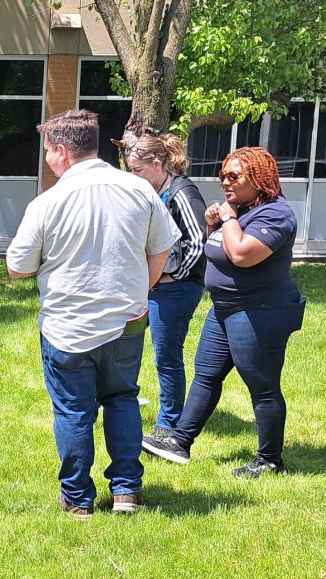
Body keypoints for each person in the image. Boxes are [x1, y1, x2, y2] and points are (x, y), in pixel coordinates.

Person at [7, 109, 178, 520]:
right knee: (122, 399)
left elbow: (17, 267)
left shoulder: (48, 202)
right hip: (127, 321)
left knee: (73, 411)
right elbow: (162, 248)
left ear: (63, 151)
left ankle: (78, 499)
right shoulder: (140, 191)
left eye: (48, 151)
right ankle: (126, 491)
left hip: (67, 327)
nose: (47, 158)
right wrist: (141, 290)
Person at [142, 147, 306, 479]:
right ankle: (180, 441)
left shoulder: (276, 214)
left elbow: (242, 254)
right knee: (206, 375)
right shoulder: (240, 210)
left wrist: (228, 219)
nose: (225, 183)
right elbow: (216, 250)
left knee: (262, 386)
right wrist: (211, 225)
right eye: (222, 176)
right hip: (225, 308)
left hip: (260, 311)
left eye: (234, 176)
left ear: (258, 179)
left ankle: (270, 460)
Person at [125, 133, 208, 441]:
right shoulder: (151, 191)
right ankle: (121, 400)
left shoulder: (183, 193)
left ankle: (169, 422)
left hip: (176, 289)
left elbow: (198, 242)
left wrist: (175, 276)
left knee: (166, 355)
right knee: (124, 342)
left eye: (137, 170)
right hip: (149, 285)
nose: (133, 176)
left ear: (157, 164)